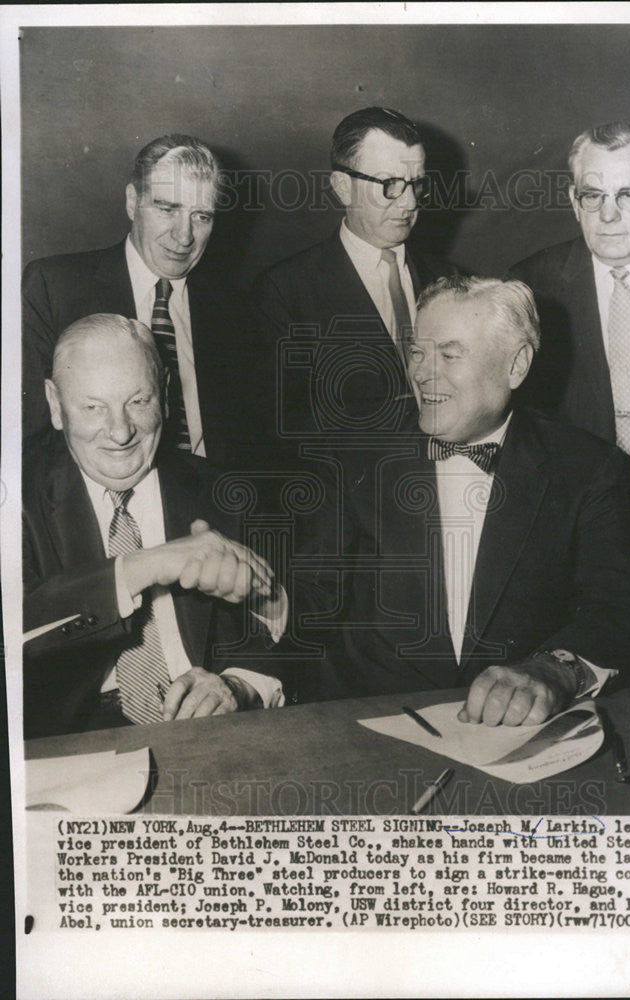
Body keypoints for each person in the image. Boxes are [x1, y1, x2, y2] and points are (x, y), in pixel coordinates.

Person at [300, 276, 630, 725]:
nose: (421, 372)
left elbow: (625, 614)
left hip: (519, 737)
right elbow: (304, 598)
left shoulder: (589, 469)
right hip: (363, 731)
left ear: (516, 365)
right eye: (418, 352)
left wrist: (554, 668)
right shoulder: (353, 457)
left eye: (449, 355)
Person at [23, 314, 289, 738]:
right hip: (71, 743)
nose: (120, 431)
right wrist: (146, 566)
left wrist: (238, 686)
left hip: (212, 736)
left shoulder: (223, 490)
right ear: (55, 405)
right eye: (93, 407)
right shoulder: (16, 496)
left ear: (164, 394)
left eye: (138, 401)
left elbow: (302, 628)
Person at [509, 123, 630, 604]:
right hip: (581, 535)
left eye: (628, 195)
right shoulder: (531, 285)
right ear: (572, 200)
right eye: (592, 195)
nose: (607, 215)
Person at [22, 134, 259, 463]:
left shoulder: (235, 308)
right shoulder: (54, 288)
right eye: (167, 209)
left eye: (201, 216)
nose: (184, 236)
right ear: (133, 202)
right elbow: (28, 439)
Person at [251, 107, 455, 445]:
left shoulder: (450, 279)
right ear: (343, 187)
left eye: (417, 185)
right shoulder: (285, 291)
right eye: (390, 185)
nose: (408, 203)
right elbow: (283, 426)